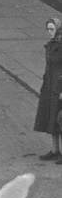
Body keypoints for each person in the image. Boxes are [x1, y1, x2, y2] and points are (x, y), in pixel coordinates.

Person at [34, 17, 62, 161]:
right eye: (48, 29)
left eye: (52, 29)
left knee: (60, 120)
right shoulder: (51, 44)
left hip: (59, 88)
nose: (50, 32)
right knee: (51, 118)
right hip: (50, 86)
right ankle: (55, 150)